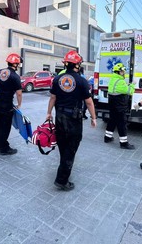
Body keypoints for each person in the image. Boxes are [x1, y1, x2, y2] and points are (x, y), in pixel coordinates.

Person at [46, 50, 97, 191]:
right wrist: (93, 118)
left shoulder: (57, 79)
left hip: (60, 117)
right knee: (71, 147)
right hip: (73, 120)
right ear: (77, 65)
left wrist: (48, 113)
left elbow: (52, 98)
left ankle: (64, 167)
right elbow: (89, 102)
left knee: (63, 145)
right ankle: (62, 179)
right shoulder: (82, 81)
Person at [0, 53, 23, 155]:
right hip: (7, 105)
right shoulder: (15, 76)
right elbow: (19, 93)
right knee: (5, 127)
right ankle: (4, 149)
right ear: (15, 64)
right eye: (18, 64)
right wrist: (19, 105)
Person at [104, 62, 136, 149]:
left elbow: (120, 89)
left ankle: (107, 137)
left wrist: (127, 85)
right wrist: (133, 84)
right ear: (118, 72)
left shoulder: (113, 79)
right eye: (122, 71)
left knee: (112, 120)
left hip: (112, 103)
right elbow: (130, 91)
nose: (124, 73)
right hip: (119, 105)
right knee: (122, 123)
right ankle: (124, 143)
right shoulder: (120, 81)